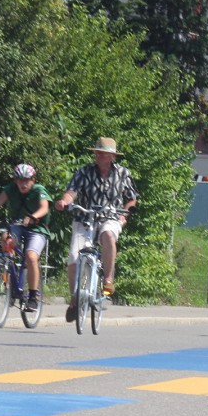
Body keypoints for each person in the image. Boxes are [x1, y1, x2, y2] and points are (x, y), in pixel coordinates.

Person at [54, 137, 139, 322]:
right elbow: (72, 192)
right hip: (85, 217)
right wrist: (65, 201)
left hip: (111, 217)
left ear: (112, 157)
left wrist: (126, 214)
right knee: (74, 258)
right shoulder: (84, 172)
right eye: (97, 152)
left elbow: (131, 198)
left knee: (108, 235)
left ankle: (108, 280)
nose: (99, 156)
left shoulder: (123, 174)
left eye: (104, 153)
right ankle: (74, 300)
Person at [0, 163, 51, 311]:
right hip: (17, 224)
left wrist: (33, 217)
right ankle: (8, 276)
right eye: (20, 180)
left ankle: (32, 297)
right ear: (15, 181)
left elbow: (44, 207)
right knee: (6, 240)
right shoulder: (10, 189)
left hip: (37, 228)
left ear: (33, 180)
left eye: (27, 180)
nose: (23, 184)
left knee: (31, 257)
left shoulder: (39, 190)